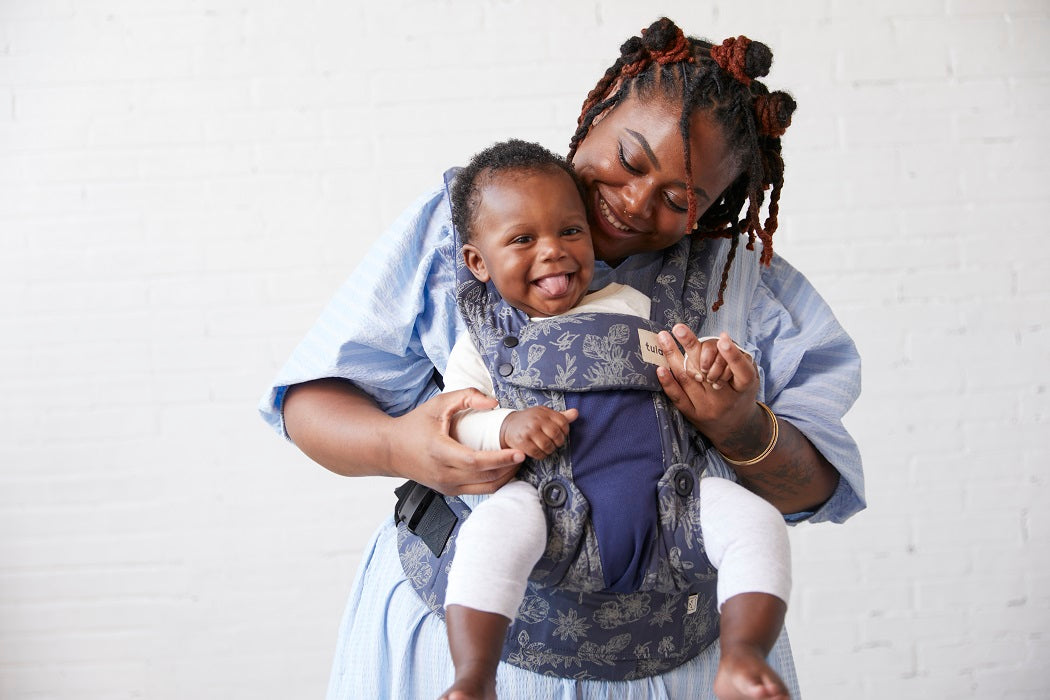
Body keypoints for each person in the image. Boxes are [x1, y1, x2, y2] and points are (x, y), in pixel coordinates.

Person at [260, 17, 864, 698]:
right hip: (445, 627)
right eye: (630, 160)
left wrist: (740, 425)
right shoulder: (469, 215)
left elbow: (816, 490)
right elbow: (310, 403)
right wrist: (401, 446)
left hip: (673, 664)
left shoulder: (744, 287)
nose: (636, 203)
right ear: (595, 114)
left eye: (679, 199)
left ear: (714, 210)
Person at [438, 138, 792, 700]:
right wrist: (504, 426)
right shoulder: (483, 341)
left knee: (756, 523)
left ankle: (744, 654)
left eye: (570, 232)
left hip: (669, 502)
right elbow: (455, 420)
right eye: (523, 239)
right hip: (548, 511)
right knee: (487, 535)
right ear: (478, 261)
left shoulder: (632, 304)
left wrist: (712, 363)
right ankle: (475, 675)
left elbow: (684, 359)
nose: (553, 251)